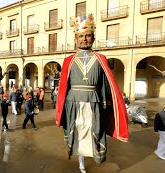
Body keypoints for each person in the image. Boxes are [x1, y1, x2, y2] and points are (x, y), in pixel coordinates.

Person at [55, 13, 129, 172]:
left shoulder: (101, 58)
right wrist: (61, 109)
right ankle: (80, 161)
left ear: (93, 38)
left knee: (92, 130)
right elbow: (63, 87)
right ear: (76, 39)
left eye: (88, 36)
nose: (84, 39)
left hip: (94, 102)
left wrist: (106, 104)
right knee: (77, 130)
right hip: (73, 101)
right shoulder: (68, 60)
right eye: (81, 36)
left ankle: (94, 155)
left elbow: (105, 84)